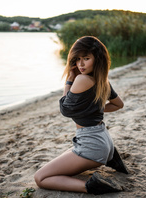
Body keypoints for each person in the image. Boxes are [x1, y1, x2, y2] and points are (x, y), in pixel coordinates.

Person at [34, 36, 128, 195]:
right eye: (77, 59)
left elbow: (65, 109)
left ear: (97, 59)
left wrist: (69, 79)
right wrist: (94, 109)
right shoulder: (103, 81)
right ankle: (110, 157)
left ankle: (91, 186)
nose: (80, 64)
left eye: (86, 58)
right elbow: (118, 104)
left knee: (40, 178)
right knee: (66, 155)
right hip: (104, 139)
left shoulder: (81, 79)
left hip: (92, 145)